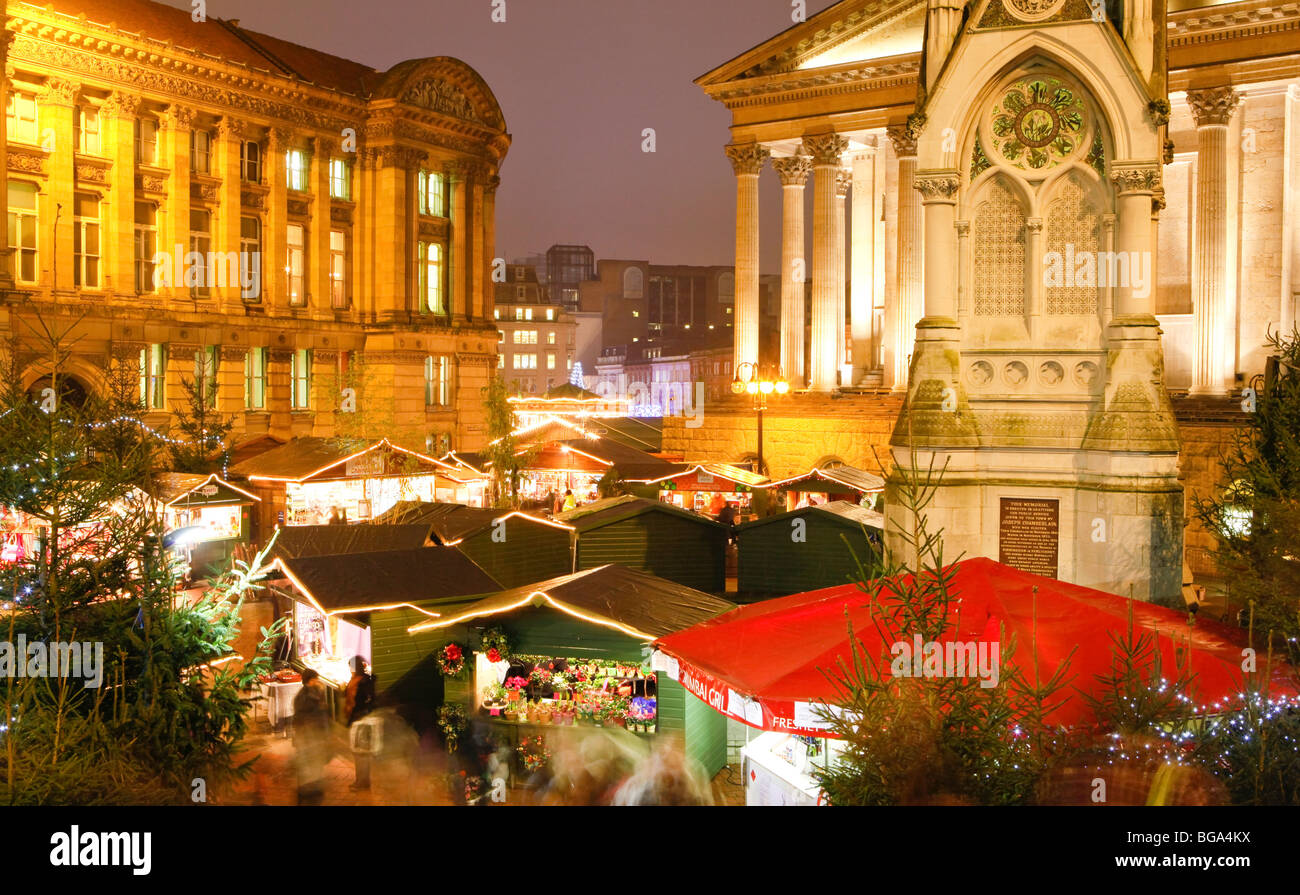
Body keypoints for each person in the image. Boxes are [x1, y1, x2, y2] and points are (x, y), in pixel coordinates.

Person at [292, 668, 332, 805]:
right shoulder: (304, 697)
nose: (318, 681)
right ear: (311, 680)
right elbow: (303, 718)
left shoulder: (313, 694)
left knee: (314, 765)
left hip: (314, 738)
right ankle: (306, 794)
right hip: (309, 738)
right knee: (307, 766)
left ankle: (313, 791)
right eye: (316, 679)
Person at [345, 656, 376, 791]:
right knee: (360, 752)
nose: (349, 670)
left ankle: (361, 782)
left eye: (350, 667)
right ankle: (363, 781)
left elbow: (361, 701)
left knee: (360, 752)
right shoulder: (360, 680)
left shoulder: (361, 682)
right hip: (359, 719)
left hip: (360, 721)